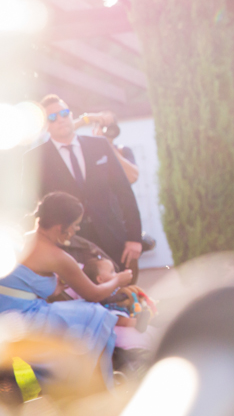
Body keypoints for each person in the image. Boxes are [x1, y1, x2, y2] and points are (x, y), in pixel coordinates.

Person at [0, 192, 134, 390]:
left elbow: (17, 285)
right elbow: (95, 294)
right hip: (24, 319)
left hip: (7, 314)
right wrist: (117, 280)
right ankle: (95, 386)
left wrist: (54, 288)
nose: (77, 229)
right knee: (97, 314)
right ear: (62, 228)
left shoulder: (20, 239)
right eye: (75, 224)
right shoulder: (57, 256)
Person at [22, 95, 143, 280]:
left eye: (63, 113)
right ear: (45, 125)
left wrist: (134, 238)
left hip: (114, 238)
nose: (60, 119)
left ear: (71, 115)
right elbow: (31, 206)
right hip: (69, 247)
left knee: (126, 297)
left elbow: (124, 192)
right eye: (52, 117)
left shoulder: (100, 146)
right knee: (85, 301)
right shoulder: (35, 158)